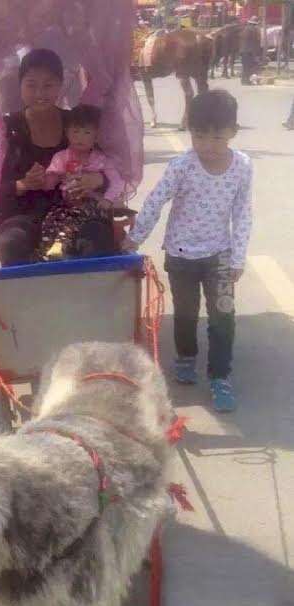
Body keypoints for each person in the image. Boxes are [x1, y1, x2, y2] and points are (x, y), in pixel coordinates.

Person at [123, 90, 253, 413]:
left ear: (233, 132)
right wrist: (134, 238)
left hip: (220, 256)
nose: (208, 145)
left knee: (223, 316)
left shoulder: (242, 167)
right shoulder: (182, 166)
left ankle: (220, 376)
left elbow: (243, 213)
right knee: (185, 312)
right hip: (181, 256)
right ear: (190, 131)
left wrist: (237, 257)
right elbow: (155, 201)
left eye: (217, 137)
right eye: (199, 136)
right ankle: (186, 356)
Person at [0, 48, 104, 266]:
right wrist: (22, 184)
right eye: (31, 85)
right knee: (12, 241)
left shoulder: (77, 122)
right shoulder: (7, 129)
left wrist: (97, 180)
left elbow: (105, 168)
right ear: (20, 86)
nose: (40, 93)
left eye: (48, 85)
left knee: (95, 238)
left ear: (60, 86)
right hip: (23, 214)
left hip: (75, 211)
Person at [40, 104, 126, 259]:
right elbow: (49, 184)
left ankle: (62, 244)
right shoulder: (61, 157)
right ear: (67, 133)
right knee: (51, 219)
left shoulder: (101, 160)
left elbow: (118, 182)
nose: (80, 137)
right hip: (67, 204)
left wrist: (108, 199)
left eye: (87, 132)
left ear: (96, 136)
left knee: (81, 219)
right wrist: (47, 177)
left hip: (93, 204)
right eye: (76, 132)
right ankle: (50, 249)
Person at [240, 16, 262, 86]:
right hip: (250, 51)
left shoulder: (245, 29)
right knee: (251, 66)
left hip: (243, 50)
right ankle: (247, 81)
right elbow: (257, 41)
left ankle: (244, 80)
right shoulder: (254, 30)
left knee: (245, 66)